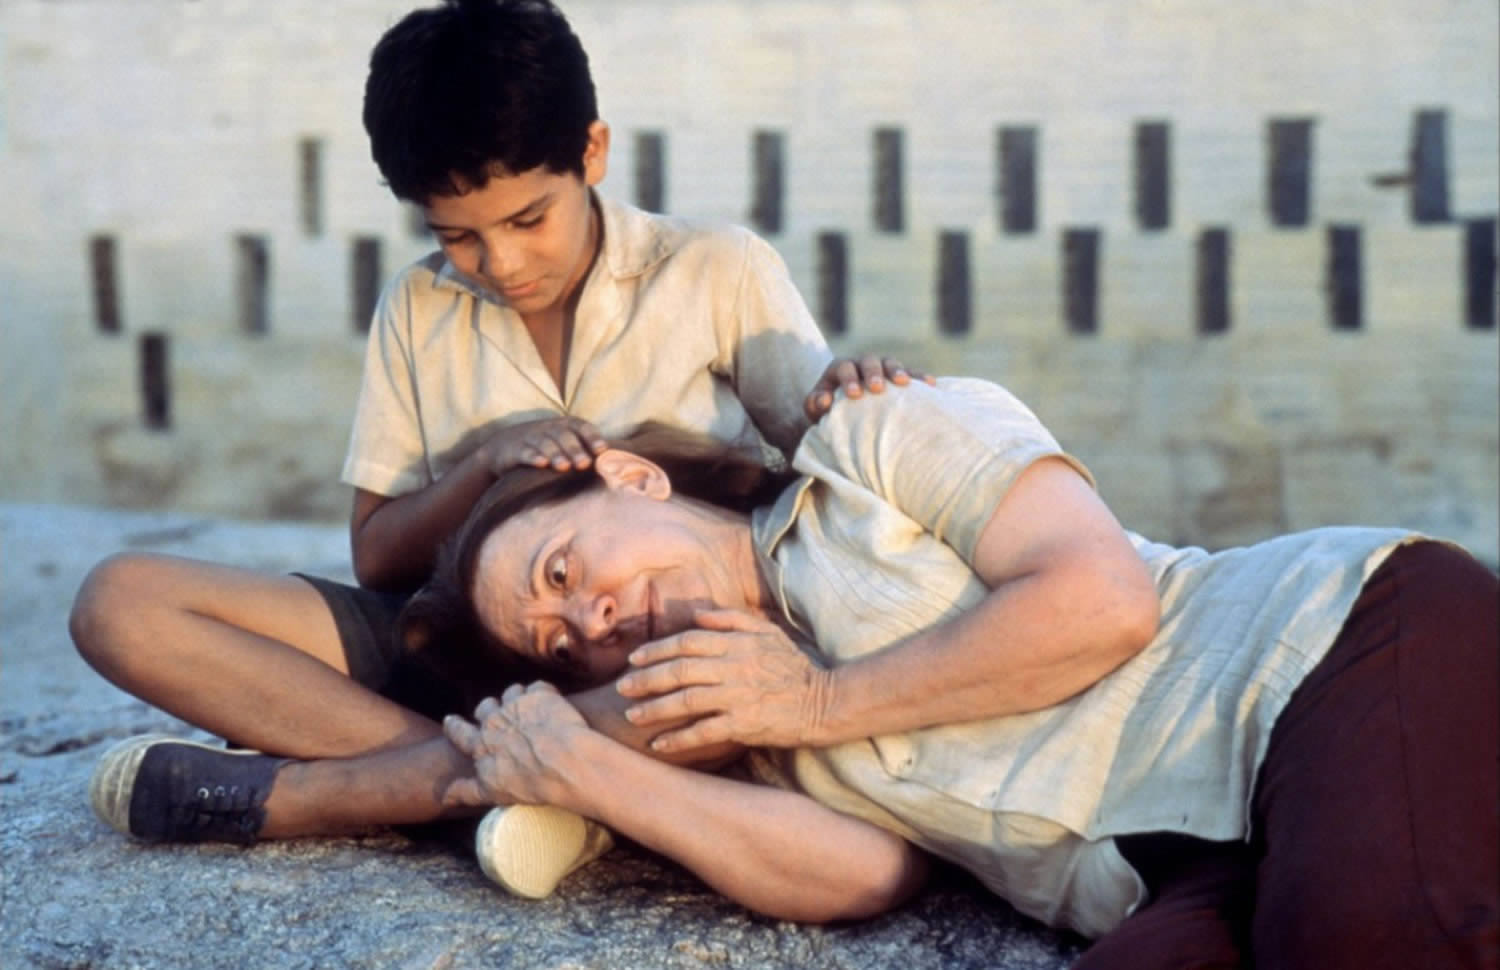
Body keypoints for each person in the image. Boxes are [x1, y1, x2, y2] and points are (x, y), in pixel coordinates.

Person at [74, 0, 919, 851]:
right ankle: (497, 790)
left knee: (708, 681)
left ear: (591, 151)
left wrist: (856, 391)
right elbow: (377, 555)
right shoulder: (419, 304)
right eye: (459, 236)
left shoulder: (715, 269)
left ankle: (361, 790)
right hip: (463, 649)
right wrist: (481, 466)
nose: (502, 264)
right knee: (120, 603)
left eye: (527, 221)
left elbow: (822, 474)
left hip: (639, 672)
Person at [424, 377, 1498, 968]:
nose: (592, 618)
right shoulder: (724, 709)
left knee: (1360, 942)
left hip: (1325, 654)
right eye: (563, 643)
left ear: (633, 477)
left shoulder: (868, 444)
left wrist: (821, 701)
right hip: (1180, 865)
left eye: (564, 567)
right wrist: (601, 776)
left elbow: (1102, 598)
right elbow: (866, 874)